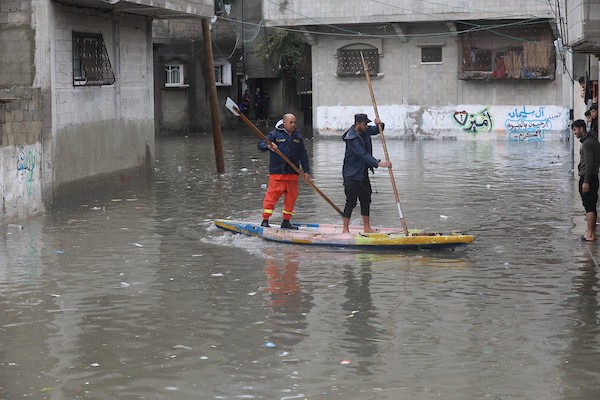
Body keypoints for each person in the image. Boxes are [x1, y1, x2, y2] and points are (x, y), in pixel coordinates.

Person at [258, 113, 311, 229]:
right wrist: (269, 146)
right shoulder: (275, 135)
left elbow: (303, 155)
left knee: (291, 198)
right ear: (284, 123)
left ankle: (286, 221)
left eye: (294, 122)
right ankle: (265, 220)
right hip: (278, 173)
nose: (293, 125)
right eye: (290, 122)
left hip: (293, 173)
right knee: (271, 197)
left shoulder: (298, 137)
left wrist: (307, 171)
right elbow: (261, 145)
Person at [341, 113, 392, 234]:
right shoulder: (351, 138)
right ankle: (345, 229)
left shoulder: (365, 131)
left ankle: (367, 227)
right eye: (364, 124)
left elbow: (377, 130)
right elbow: (361, 154)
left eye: (367, 124)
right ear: (357, 124)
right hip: (351, 175)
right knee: (351, 202)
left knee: (366, 199)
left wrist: (380, 124)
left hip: (362, 173)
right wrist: (378, 163)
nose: (366, 127)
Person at [572, 119, 600, 241]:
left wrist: (586, 181)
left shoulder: (587, 143)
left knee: (589, 206)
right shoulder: (593, 140)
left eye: (575, 130)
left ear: (581, 129)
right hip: (593, 177)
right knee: (592, 206)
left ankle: (590, 234)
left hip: (588, 178)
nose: (574, 133)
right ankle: (591, 232)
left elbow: (589, 164)